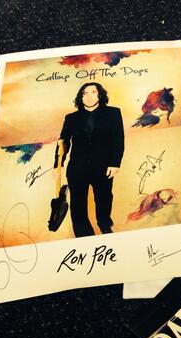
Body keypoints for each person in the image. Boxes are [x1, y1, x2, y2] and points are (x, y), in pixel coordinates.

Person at [56, 82, 124, 237]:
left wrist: (115, 163)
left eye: (93, 92)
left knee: (104, 198)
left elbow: (118, 140)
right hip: (77, 168)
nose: (89, 96)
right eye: (85, 93)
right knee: (77, 204)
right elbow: (63, 142)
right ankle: (83, 234)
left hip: (104, 167)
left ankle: (104, 225)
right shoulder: (71, 118)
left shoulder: (113, 113)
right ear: (80, 97)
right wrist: (57, 165)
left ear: (100, 95)